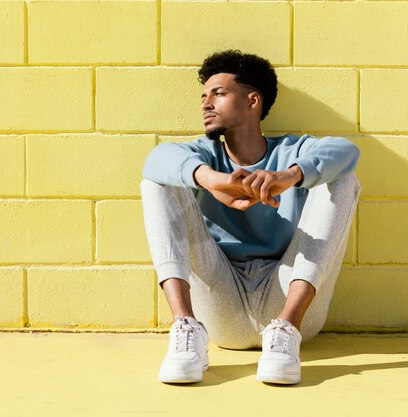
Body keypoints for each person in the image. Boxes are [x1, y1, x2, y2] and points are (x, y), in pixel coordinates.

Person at [140, 50, 361, 385]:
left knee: (342, 178)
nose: (206, 103)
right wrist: (211, 181)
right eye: (203, 96)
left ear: (252, 101)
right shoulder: (204, 154)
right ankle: (185, 327)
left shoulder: (293, 150)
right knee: (159, 181)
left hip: (289, 295)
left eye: (218, 93)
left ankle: (286, 329)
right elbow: (157, 159)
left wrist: (288, 176)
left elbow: (348, 152)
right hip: (222, 301)